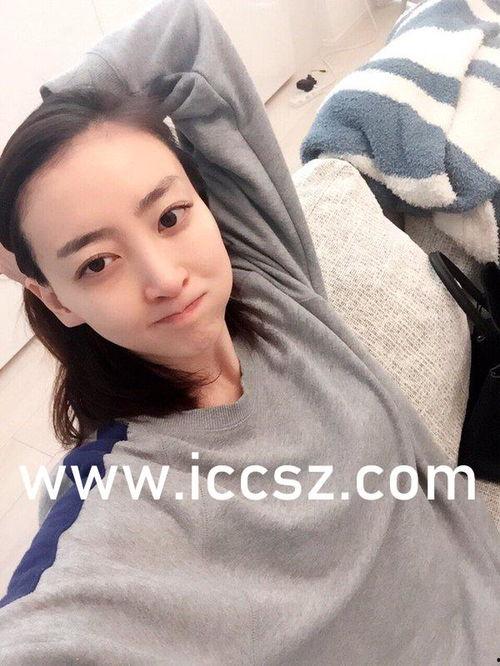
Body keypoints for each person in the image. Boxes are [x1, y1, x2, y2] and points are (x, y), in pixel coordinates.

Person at [0, 0, 498, 663]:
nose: (165, 278)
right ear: (55, 299)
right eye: (96, 263)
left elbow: (184, 36)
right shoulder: (121, 502)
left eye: (170, 217)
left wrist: (75, 118)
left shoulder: (270, 280)